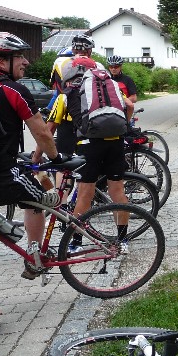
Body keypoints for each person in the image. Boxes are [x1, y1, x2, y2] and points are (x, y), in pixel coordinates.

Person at [0, 32, 61, 343]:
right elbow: (42, 133)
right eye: (20, 57)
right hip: (2, 173)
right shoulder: (13, 90)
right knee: (45, 195)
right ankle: (34, 255)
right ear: (2, 61)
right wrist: (57, 158)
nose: (26, 61)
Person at [33, 56, 133, 261]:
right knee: (118, 191)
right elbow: (129, 106)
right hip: (115, 143)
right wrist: (124, 127)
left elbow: (48, 129)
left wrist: (36, 157)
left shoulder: (65, 95)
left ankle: (77, 242)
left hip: (89, 145)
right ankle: (122, 241)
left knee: (85, 193)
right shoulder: (110, 87)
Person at [48, 35, 100, 155]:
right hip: (91, 118)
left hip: (66, 116)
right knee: (89, 159)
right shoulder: (96, 65)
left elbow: (55, 87)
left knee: (63, 160)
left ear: (73, 49)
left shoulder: (59, 63)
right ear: (90, 50)